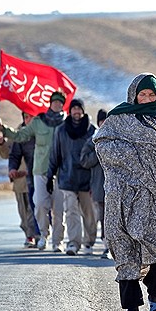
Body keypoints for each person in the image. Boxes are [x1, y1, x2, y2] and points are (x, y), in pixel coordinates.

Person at [93, 73, 156, 311]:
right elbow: (101, 145)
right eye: (142, 94)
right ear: (133, 95)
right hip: (122, 193)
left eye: (151, 95)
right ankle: (130, 306)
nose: (147, 99)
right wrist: (131, 158)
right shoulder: (118, 117)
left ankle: (155, 298)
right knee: (124, 241)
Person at [0, 91, 66, 252]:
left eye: (60, 102)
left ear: (63, 105)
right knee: (40, 205)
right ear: (50, 103)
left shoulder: (66, 123)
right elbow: (19, 135)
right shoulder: (39, 122)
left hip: (61, 172)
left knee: (59, 209)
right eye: (55, 102)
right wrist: (1, 128)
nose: (57, 104)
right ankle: (43, 236)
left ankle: (58, 241)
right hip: (40, 171)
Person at [47, 98, 97, 255]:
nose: (76, 112)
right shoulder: (61, 130)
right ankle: (74, 243)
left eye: (79, 109)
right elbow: (55, 154)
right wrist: (50, 176)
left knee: (89, 213)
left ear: (83, 111)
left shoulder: (92, 130)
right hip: (67, 177)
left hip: (87, 179)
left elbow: (97, 155)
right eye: (74, 109)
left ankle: (89, 242)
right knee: (71, 212)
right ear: (70, 111)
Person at [0, 112, 38, 247]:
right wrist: (2, 143)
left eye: (31, 116)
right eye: (26, 117)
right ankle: (29, 235)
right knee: (23, 210)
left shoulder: (40, 132)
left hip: (36, 177)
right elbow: (6, 154)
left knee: (36, 208)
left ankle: (38, 234)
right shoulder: (17, 134)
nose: (28, 119)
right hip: (20, 181)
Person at [80, 108, 110, 258]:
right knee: (101, 216)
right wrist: (98, 152)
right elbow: (84, 161)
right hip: (98, 186)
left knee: (111, 217)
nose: (104, 123)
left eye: (106, 120)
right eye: (102, 121)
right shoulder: (92, 140)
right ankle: (99, 243)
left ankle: (109, 245)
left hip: (114, 187)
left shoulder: (116, 138)